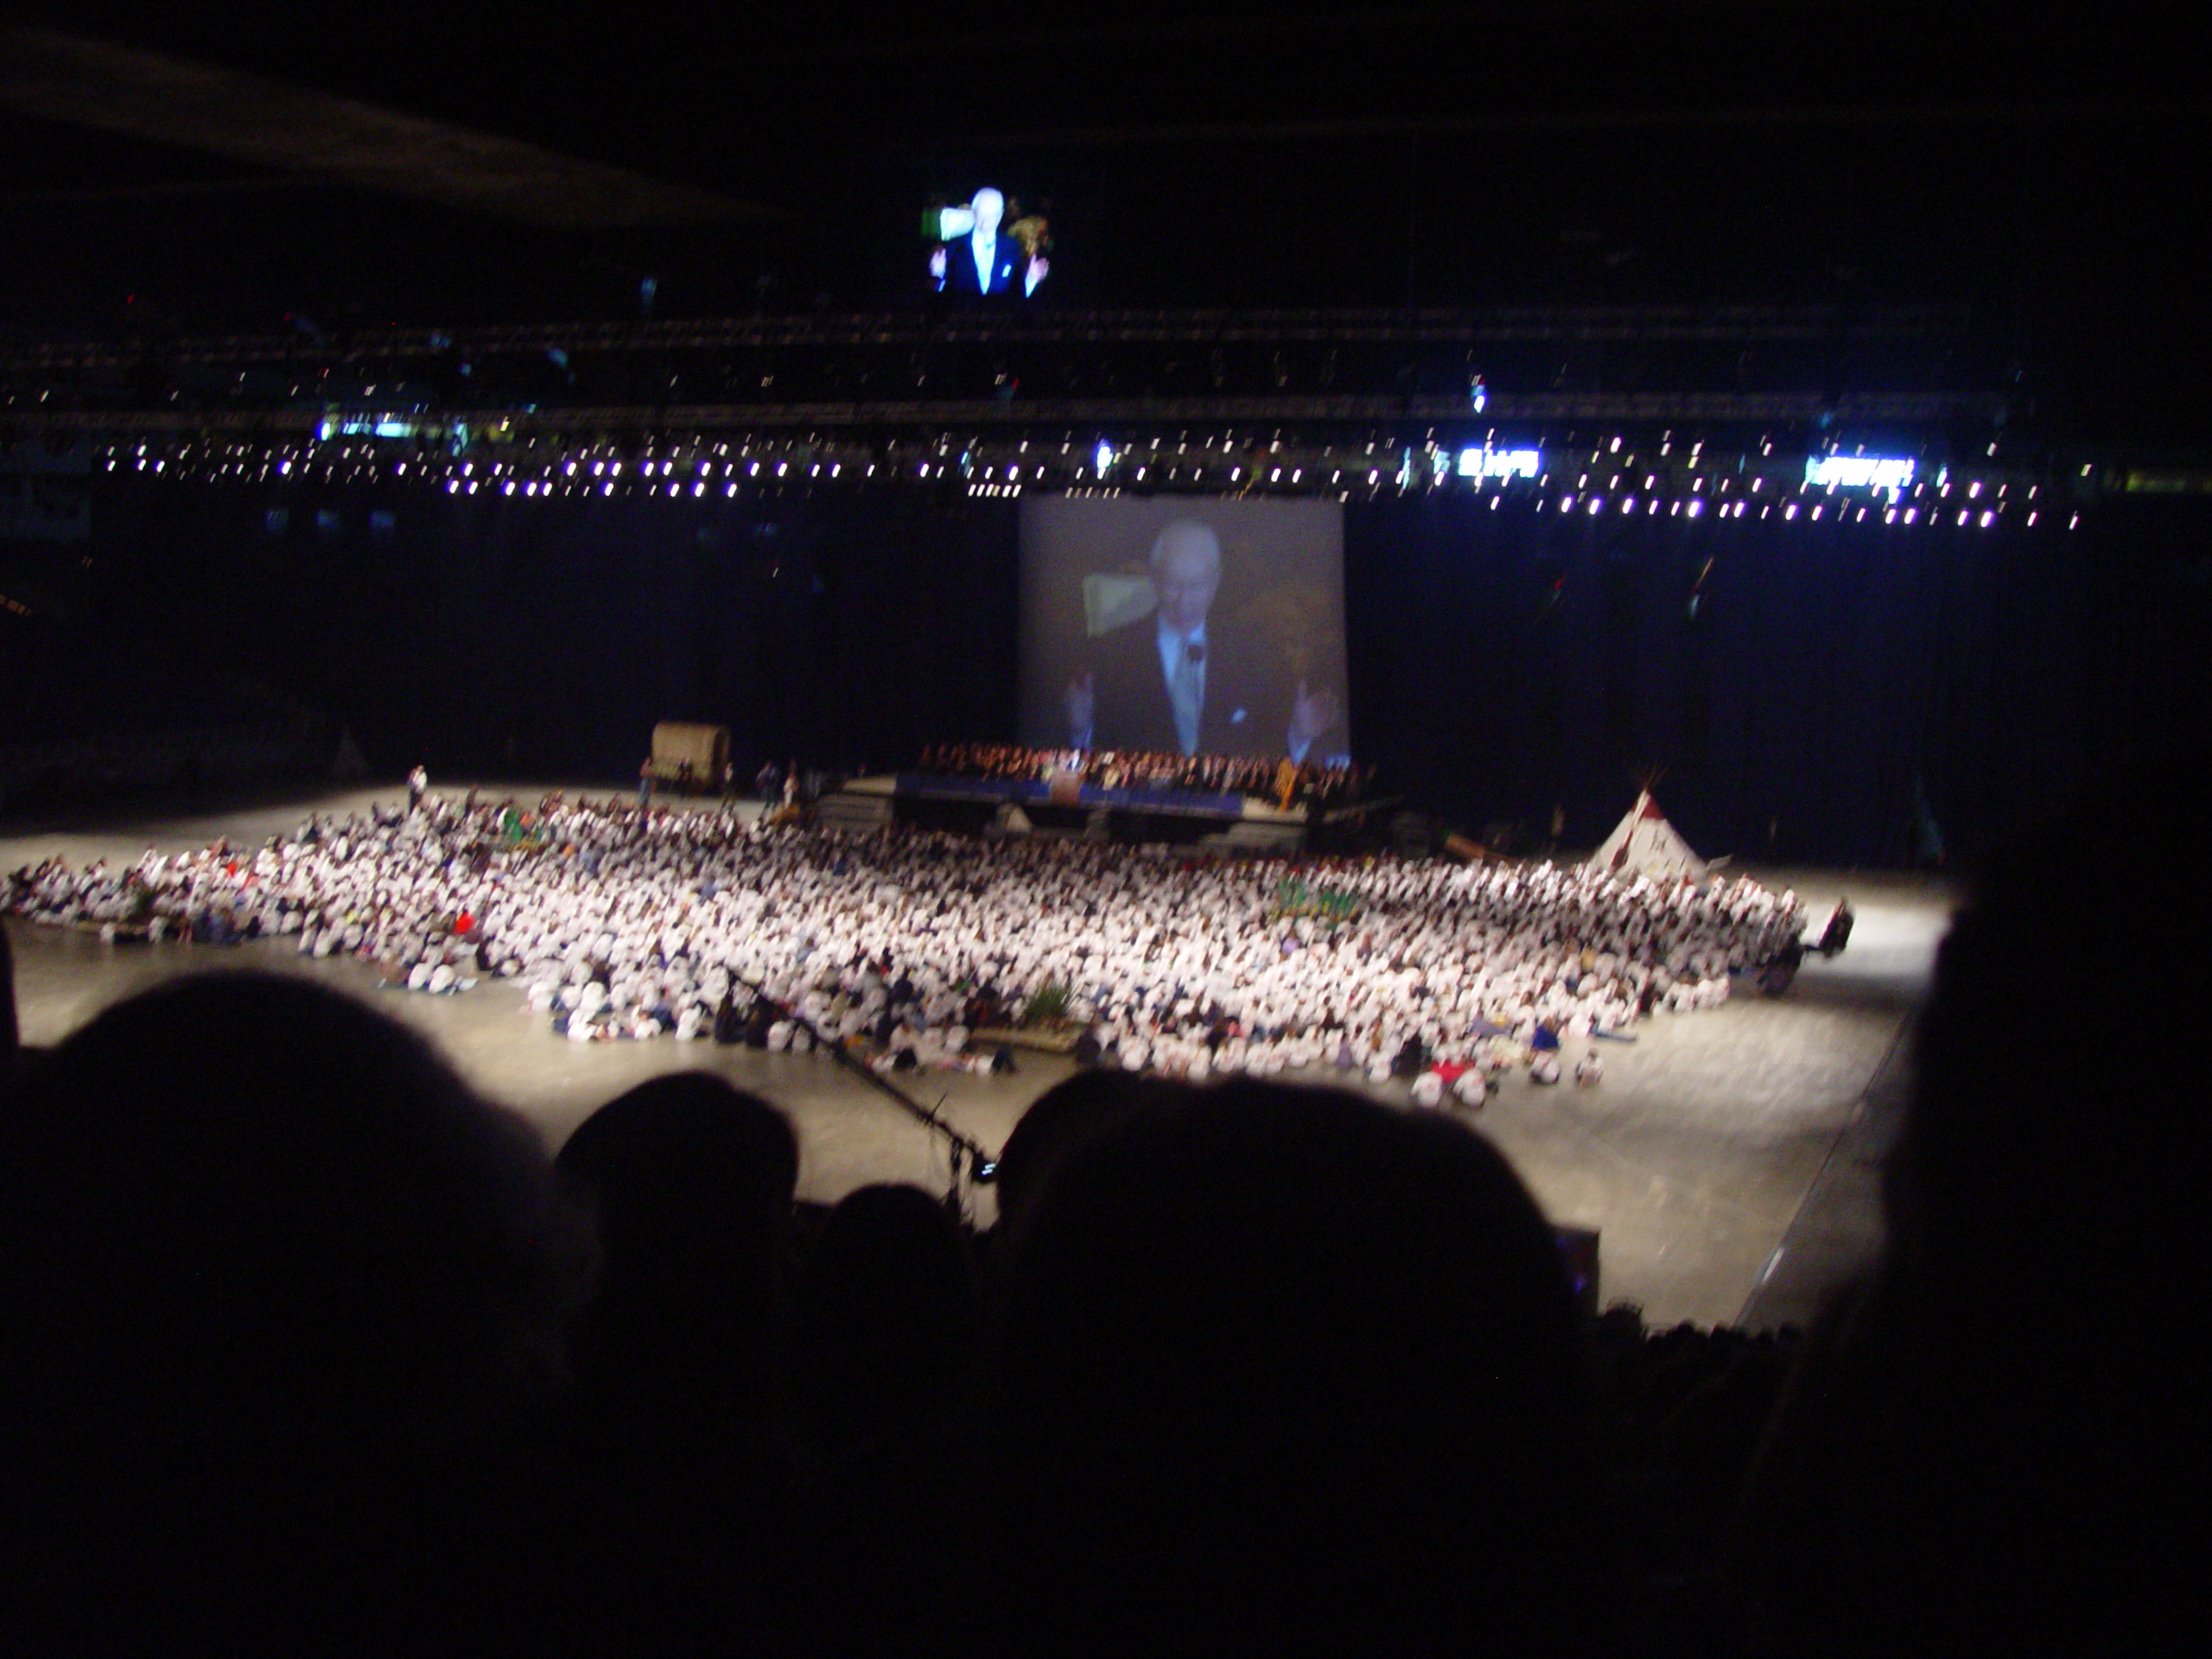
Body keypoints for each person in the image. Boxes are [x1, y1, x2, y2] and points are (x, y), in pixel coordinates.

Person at [1065, 518, 1342, 760]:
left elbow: (1268, 758)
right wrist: (1080, 730)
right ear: (1155, 577)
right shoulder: (1110, 654)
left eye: (1196, 585)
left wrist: (1299, 735)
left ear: (1215, 581)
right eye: (1173, 583)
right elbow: (1091, 764)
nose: (1183, 600)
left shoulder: (1255, 656)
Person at [929, 187, 1047, 297]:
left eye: (991, 217)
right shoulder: (953, 246)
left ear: (1000, 215)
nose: (984, 222)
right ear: (974, 212)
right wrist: (938, 275)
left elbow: (1016, 296)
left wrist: (1031, 280)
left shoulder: (1012, 247)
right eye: (981, 215)